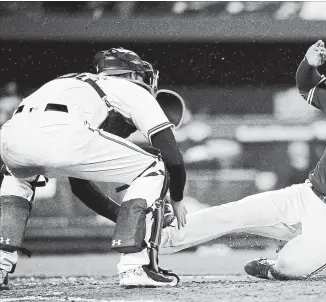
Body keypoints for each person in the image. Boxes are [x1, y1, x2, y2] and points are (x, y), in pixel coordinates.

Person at [158, 24, 326, 280]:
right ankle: (159, 241)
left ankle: (277, 263)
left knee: (292, 268)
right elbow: (307, 85)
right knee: (228, 214)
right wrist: (308, 64)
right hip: (305, 197)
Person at [0, 48, 187, 288]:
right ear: (132, 75)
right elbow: (173, 156)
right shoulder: (129, 88)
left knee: (16, 179)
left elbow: (81, 187)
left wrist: (129, 218)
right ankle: (135, 266)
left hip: (11, 135)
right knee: (154, 166)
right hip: (62, 131)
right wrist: (177, 198)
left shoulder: (74, 83)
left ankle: (1, 264)